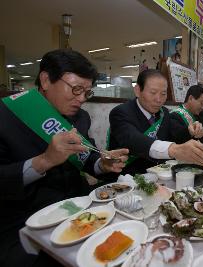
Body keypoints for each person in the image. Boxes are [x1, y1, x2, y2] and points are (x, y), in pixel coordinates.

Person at [0, 49, 129, 267]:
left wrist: (102, 164)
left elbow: (87, 159)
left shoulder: (81, 117)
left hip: (79, 207)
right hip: (23, 219)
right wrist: (44, 161)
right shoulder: (6, 116)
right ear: (46, 79)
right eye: (76, 89)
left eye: (87, 92)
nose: (81, 99)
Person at [108, 69, 203, 174]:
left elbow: (176, 135)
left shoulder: (164, 112)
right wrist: (174, 150)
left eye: (163, 94)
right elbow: (134, 140)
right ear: (138, 90)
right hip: (127, 178)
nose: (159, 99)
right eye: (153, 92)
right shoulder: (120, 113)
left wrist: (194, 130)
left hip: (158, 175)